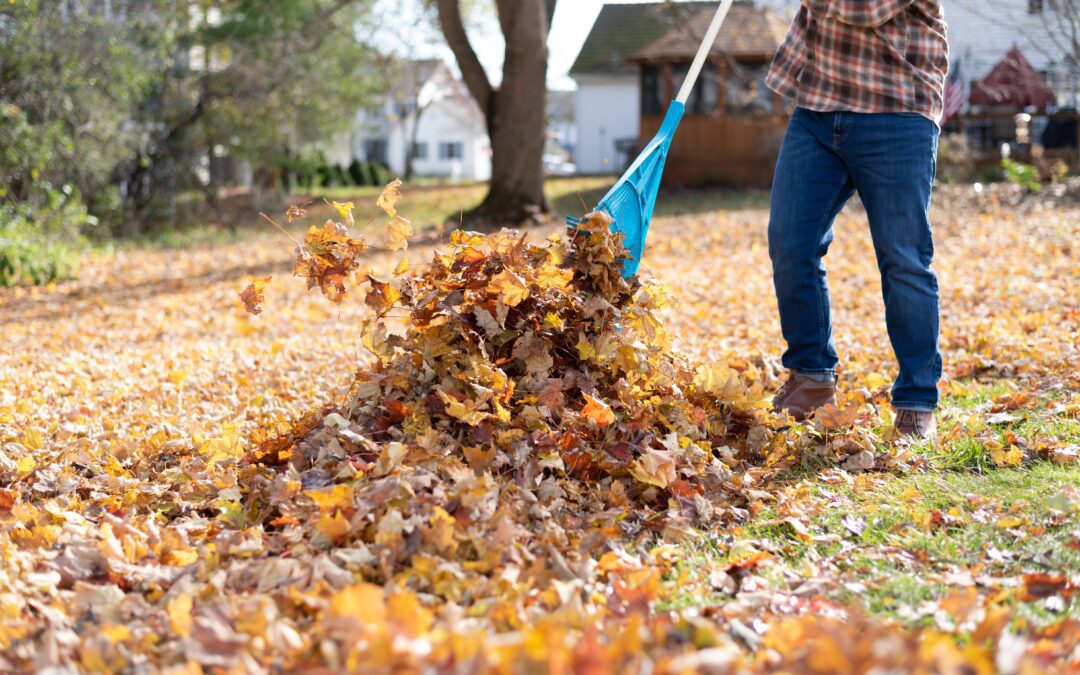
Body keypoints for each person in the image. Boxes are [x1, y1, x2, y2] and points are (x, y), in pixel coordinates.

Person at [764, 0, 949, 439]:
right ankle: (811, 377)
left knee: (903, 257)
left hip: (897, 110)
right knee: (791, 242)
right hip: (818, 108)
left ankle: (916, 399)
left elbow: (863, 9)